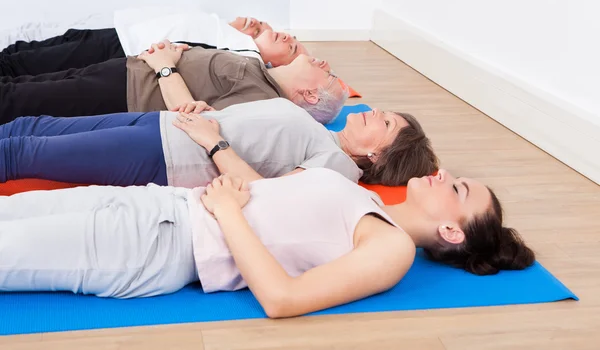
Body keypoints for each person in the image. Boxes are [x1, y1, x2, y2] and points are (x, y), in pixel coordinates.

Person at [0, 168, 535, 318]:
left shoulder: (391, 247)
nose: (443, 174)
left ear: (451, 232)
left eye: (458, 189)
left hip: (156, 244)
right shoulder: (364, 198)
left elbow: (283, 299)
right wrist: (217, 144)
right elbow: (276, 199)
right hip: (155, 204)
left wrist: (229, 212)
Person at [0, 97, 438, 188]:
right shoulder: (325, 132)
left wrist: (213, 143)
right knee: (30, 125)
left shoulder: (339, 167)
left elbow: (272, 199)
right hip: (166, 124)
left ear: (378, 153)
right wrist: (213, 114)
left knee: (23, 152)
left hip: (168, 156)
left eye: (385, 122)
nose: (373, 111)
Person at [0, 40, 346, 125]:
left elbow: (195, 118)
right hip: (125, 72)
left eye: (327, 74)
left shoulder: (262, 99)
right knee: (23, 85)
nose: (322, 62)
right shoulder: (261, 74)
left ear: (311, 95)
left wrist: (165, 66)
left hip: (123, 94)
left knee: (14, 99)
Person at [0, 11, 309, 77]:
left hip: (123, 48)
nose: (289, 37)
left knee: (27, 63)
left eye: (292, 47)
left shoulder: (246, 57)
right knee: (27, 52)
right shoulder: (241, 39)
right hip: (120, 33)